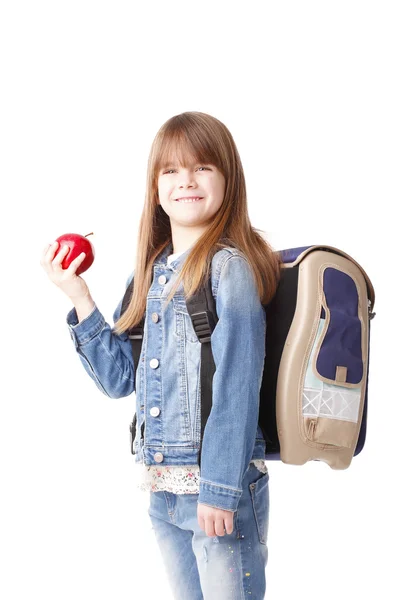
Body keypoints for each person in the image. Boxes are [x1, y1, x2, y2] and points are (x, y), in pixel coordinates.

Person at [40, 111, 282, 599]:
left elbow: (237, 386)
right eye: (170, 170)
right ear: (155, 189)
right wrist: (79, 297)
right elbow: (118, 379)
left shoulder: (229, 268)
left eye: (203, 167)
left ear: (228, 180)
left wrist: (218, 490)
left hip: (219, 487)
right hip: (161, 487)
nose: (186, 181)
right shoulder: (150, 273)